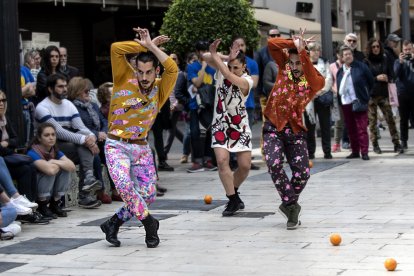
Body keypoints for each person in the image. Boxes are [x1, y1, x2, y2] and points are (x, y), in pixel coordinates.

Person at [100, 27, 178, 248]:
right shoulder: (124, 77)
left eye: (149, 72)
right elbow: (116, 49)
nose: (144, 77)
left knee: (148, 194)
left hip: (142, 148)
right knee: (124, 186)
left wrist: (153, 47)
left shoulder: (161, 89)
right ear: (135, 69)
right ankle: (149, 223)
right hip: (116, 145)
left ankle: (113, 223)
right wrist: (144, 45)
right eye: (140, 71)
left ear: (156, 71)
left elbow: (172, 68)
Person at [263, 29, 325, 230]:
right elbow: (272, 44)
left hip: (295, 130)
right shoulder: (283, 69)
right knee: (273, 164)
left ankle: (288, 204)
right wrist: (293, 43)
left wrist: (302, 52)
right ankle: (292, 206)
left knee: (303, 173)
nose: (295, 66)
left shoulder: (314, 80)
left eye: (299, 63)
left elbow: (316, 81)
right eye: (293, 62)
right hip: (273, 126)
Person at [35, 73, 102, 208]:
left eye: (65, 86)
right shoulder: (42, 107)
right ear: (50, 89)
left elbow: (80, 127)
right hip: (50, 147)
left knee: (85, 146)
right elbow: (59, 132)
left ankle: (88, 184)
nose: (65, 89)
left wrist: (91, 138)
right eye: (60, 87)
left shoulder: (68, 105)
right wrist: (85, 140)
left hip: (67, 146)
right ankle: (85, 192)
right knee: (83, 145)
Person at [204, 39, 253, 216]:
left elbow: (229, 76)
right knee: (222, 161)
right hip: (220, 125)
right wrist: (226, 56)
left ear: (244, 67)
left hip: (240, 127)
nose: (231, 71)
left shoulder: (247, 80)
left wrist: (219, 59)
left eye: (236, 68)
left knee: (245, 166)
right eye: (230, 67)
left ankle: (234, 191)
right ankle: (232, 199)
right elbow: (205, 56)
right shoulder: (222, 68)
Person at [67, 77, 112, 204]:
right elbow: (79, 128)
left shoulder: (92, 105)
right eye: (85, 91)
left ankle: (116, 189)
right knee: (95, 156)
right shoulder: (73, 107)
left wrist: (103, 132)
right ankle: (100, 191)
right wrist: (97, 134)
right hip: (86, 140)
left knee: (112, 151)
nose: (88, 93)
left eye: (88, 90)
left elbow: (104, 120)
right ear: (76, 92)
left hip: (100, 138)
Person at [27, 123, 76, 219]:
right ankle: (42, 206)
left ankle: (55, 203)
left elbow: (72, 166)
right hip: (36, 191)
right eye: (47, 135)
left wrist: (53, 161)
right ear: (39, 138)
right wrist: (59, 164)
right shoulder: (32, 152)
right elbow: (50, 171)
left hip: (49, 190)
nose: (51, 138)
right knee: (50, 172)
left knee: (65, 170)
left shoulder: (54, 150)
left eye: (53, 135)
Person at [365, 38, 403, 154]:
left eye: (377, 46)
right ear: (370, 49)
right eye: (373, 47)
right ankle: (375, 145)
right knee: (372, 121)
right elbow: (365, 78)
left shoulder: (385, 59)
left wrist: (388, 77)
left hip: (383, 93)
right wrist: (376, 78)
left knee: (390, 119)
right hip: (371, 95)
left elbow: (392, 73)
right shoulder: (366, 61)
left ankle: (397, 143)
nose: (376, 49)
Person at [0, 90, 39, 203]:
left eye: (3, 100)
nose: (1, 103)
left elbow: (16, 140)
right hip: (3, 162)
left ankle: (32, 205)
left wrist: (6, 143)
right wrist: (8, 147)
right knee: (25, 169)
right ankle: (24, 207)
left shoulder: (5, 118)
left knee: (30, 167)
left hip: (7, 159)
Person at [337, 45, 374, 160]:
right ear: (342, 58)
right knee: (351, 129)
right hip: (346, 103)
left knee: (362, 128)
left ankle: (364, 152)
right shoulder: (340, 71)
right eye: (345, 55)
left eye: (349, 54)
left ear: (352, 55)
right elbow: (338, 87)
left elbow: (371, 82)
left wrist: (366, 97)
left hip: (359, 101)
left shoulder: (361, 67)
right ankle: (355, 151)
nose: (348, 56)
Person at [186, 40, 217, 173]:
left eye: (206, 51)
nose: (204, 53)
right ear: (198, 52)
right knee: (195, 133)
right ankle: (197, 161)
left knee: (210, 132)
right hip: (196, 105)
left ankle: (208, 160)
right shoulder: (192, 67)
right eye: (202, 51)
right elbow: (197, 83)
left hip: (210, 105)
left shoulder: (214, 66)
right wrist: (203, 67)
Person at [305, 43, 333, 159]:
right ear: (309, 52)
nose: (316, 52)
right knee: (310, 126)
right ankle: (310, 152)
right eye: (313, 50)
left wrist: (319, 92)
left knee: (325, 126)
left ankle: (327, 151)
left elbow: (329, 79)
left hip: (322, 97)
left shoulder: (325, 62)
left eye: (318, 50)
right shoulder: (304, 63)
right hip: (309, 99)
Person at [255, 28, 281, 158]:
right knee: (267, 123)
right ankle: (266, 150)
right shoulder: (261, 53)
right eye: (272, 35)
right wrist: (259, 93)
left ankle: (281, 150)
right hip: (267, 95)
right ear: (268, 37)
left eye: (277, 35)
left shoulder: (285, 51)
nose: (275, 37)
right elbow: (258, 73)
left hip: (284, 96)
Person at [96, 82, 123, 202]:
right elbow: (106, 127)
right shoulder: (104, 110)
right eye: (112, 93)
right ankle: (115, 190)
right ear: (105, 97)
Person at [394, 40, 414, 149]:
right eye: (405, 50)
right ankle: (403, 141)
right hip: (402, 94)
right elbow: (396, 74)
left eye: (409, 49)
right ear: (402, 50)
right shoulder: (398, 61)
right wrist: (401, 63)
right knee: (403, 119)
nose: (407, 52)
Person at [330, 45, 350, 152]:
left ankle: (349, 141)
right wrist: (334, 90)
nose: (342, 56)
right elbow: (330, 81)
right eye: (341, 54)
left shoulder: (349, 65)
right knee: (338, 121)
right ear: (338, 55)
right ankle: (337, 143)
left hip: (349, 96)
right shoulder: (332, 66)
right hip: (336, 96)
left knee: (350, 120)